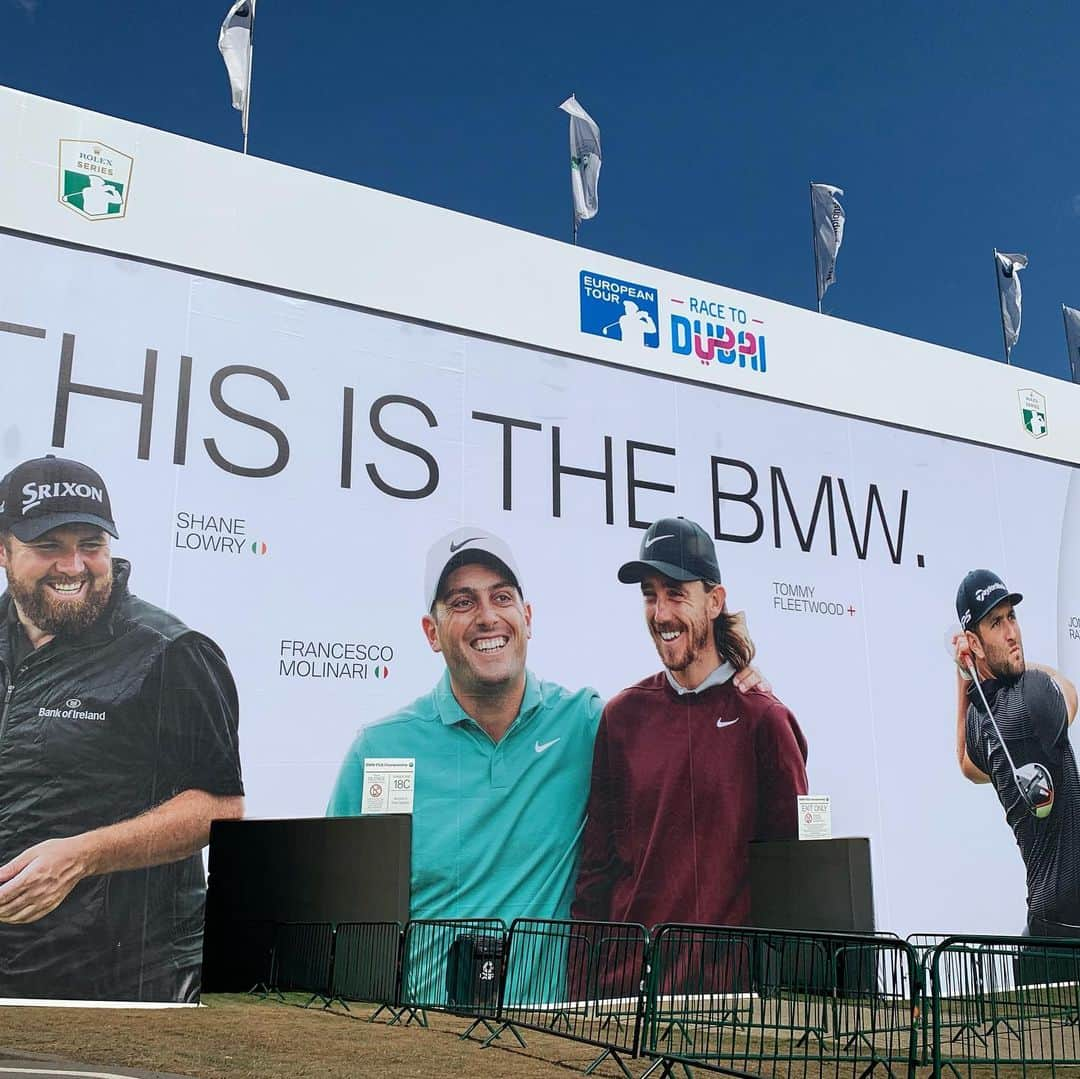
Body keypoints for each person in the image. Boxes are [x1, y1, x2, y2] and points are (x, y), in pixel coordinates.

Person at [0, 454, 244, 1002]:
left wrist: (84, 855)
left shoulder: (171, 652)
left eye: (90, 544)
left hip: (119, 980)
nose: (73, 566)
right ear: (2, 551)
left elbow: (221, 810)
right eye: (48, 547)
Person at [327, 527, 603, 926]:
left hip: (551, 992)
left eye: (502, 597)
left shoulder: (584, 724)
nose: (488, 617)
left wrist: (727, 663)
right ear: (431, 632)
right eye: (462, 602)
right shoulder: (377, 750)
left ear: (527, 618)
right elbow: (335, 913)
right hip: (414, 992)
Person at [573, 516, 809, 928]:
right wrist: (589, 980)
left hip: (726, 991)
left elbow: (794, 878)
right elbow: (596, 869)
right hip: (629, 986)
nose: (661, 613)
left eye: (676, 594)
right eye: (650, 596)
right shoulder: (622, 717)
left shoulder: (764, 720)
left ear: (714, 601)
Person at [952, 569, 1080, 937]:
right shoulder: (1035, 697)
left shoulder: (978, 722)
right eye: (996, 622)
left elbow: (965, 763)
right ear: (974, 643)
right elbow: (1070, 691)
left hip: (1044, 921)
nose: (1011, 632)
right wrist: (1025, 664)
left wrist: (964, 676)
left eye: (1011, 617)